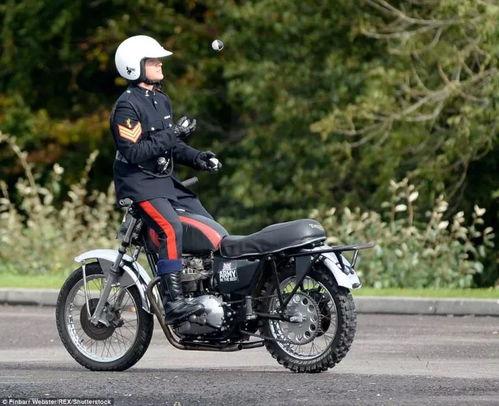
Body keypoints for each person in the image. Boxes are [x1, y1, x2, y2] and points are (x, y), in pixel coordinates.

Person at [111, 35, 221, 324]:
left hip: (164, 181)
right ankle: (174, 303)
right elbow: (134, 152)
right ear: (134, 66)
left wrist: (198, 157)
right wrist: (174, 134)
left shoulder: (161, 100)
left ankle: (208, 292)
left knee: (211, 230)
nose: (160, 63)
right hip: (138, 183)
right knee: (171, 229)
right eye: (153, 60)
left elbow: (170, 146)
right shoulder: (127, 107)